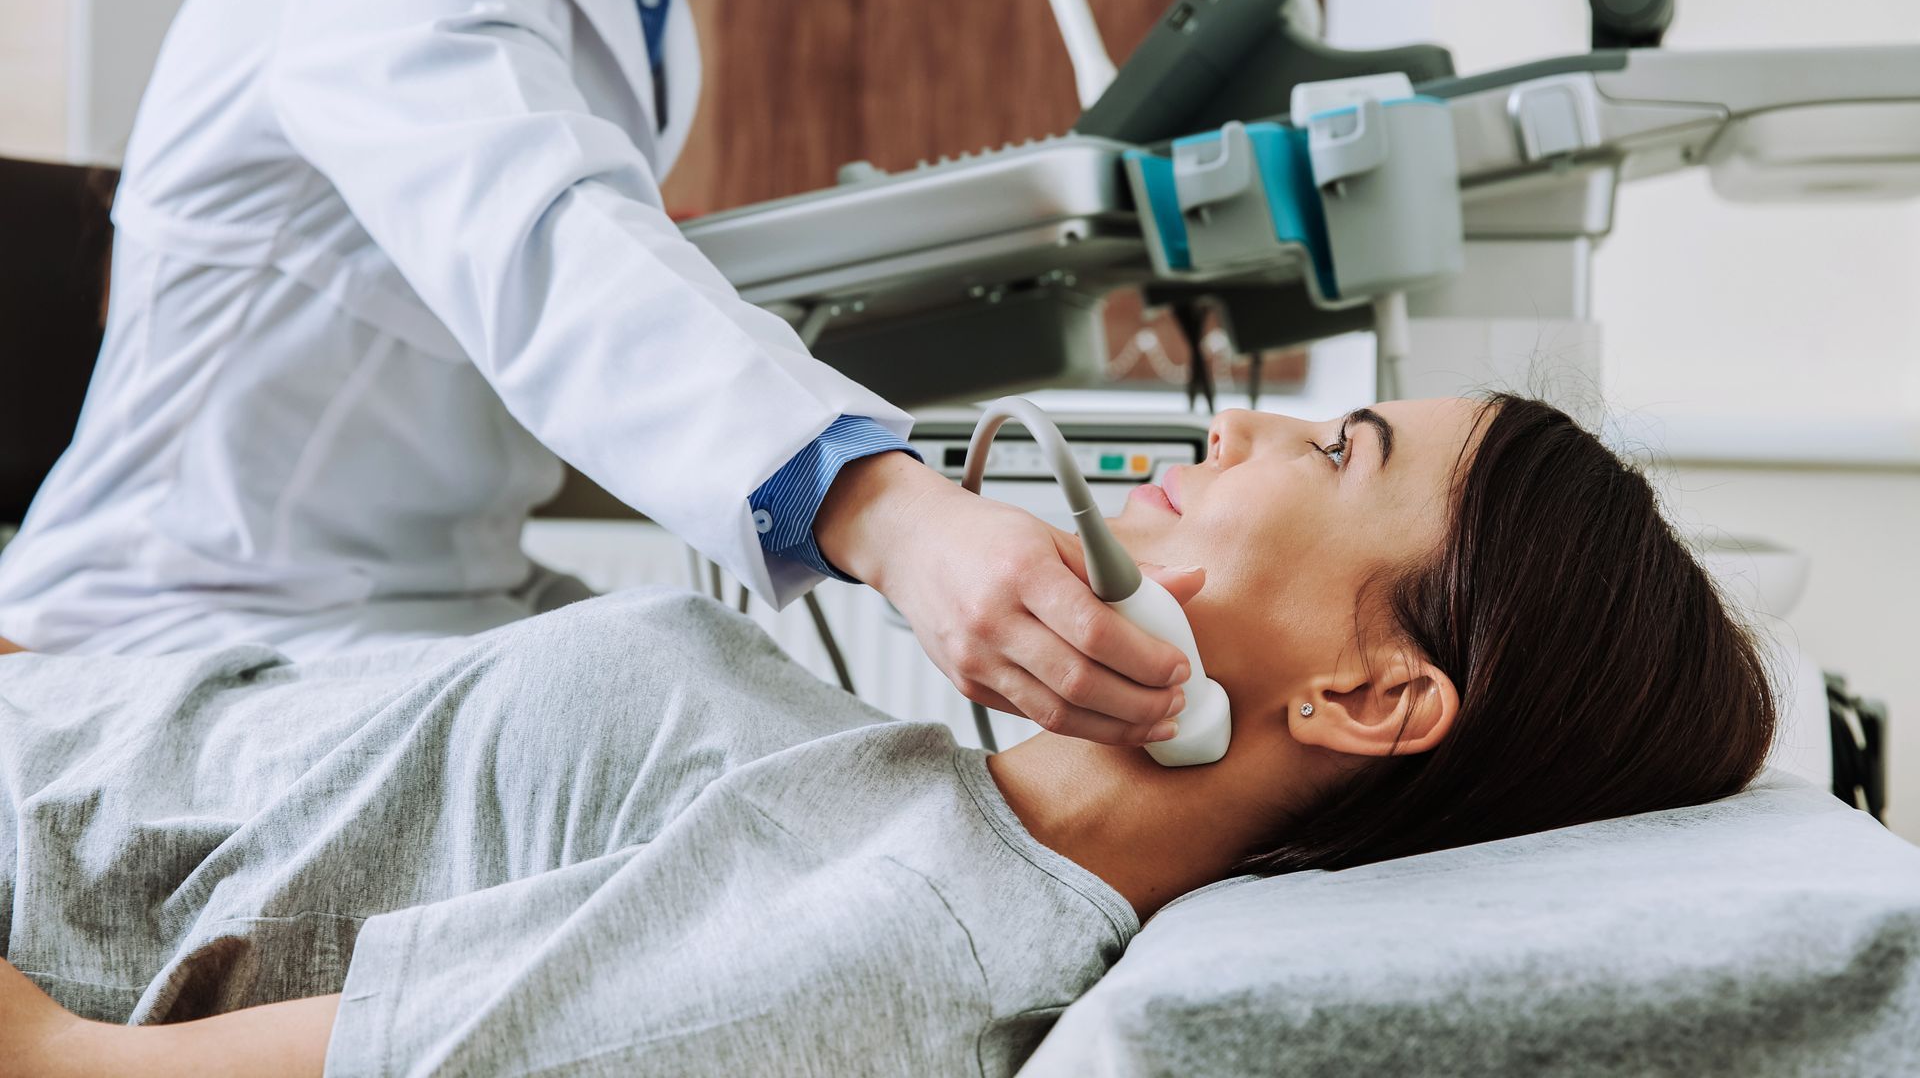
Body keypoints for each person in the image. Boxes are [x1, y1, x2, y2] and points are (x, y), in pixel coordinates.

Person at [0, 397, 1777, 1076]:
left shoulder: (874, 968)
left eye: (1342, 454)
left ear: (1372, 697)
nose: (1251, 418)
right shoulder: (915, 804)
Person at [0, 0, 1193, 748]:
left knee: (778, 728)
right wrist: (890, 512)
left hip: (437, 600)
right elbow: (543, 237)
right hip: (195, 638)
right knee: (712, 750)